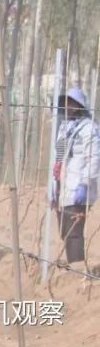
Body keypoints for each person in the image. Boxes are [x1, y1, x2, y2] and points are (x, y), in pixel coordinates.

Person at [52, 87, 100, 278]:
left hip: (79, 186)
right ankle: (74, 263)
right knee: (64, 229)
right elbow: (59, 155)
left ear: (80, 106)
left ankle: (77, 269)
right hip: (63, 186)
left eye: (71, 103)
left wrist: (86, 183)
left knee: (74, 230)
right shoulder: (65, 127)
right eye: (65, 103)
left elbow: (94, 158)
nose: (68, 107)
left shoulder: (90, 128)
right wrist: (54, 183)